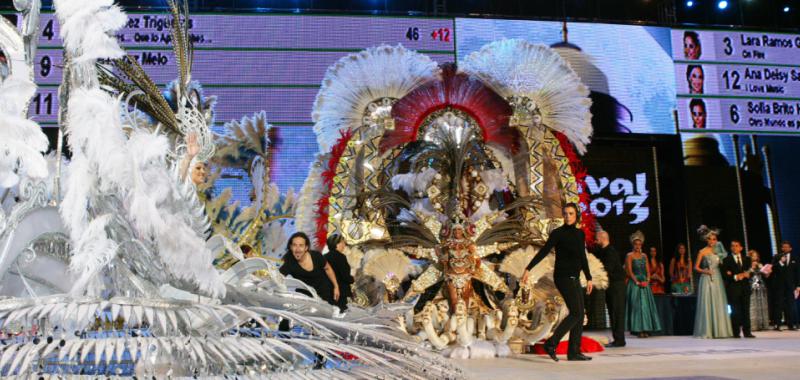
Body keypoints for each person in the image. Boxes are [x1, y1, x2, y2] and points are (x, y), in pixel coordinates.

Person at [522, 203, 593, 362]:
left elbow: (582, 257)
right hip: (562, 277)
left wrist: (589, 277)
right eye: (565, 213)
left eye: (571, 213)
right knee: (575, 312)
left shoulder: (580, 234)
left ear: (576, 216)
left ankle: (573, 352)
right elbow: (544, 251)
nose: (568, 216)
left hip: (575, 277)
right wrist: (528, 268)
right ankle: (551, 343)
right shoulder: (557, 233)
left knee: (580, 315)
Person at [279, 232, 340, 306]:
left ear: (306, 247)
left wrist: (336, 286)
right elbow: (278, 277)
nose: (297, 249)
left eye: (301, 245)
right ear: (291, 247)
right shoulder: (289, 263)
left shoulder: (316, 256)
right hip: (306, 295)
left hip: (325, 291)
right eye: (294, 245)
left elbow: (328, 269)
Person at [693, 226, 733, 338]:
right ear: (707, 240)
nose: (712, 241)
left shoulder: (718, 251)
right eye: (710, 239)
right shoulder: (702, 251)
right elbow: (696, 267)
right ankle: (708, 330)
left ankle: (720, 330)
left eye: (714, 239)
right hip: (706, 279)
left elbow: (723, 264)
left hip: (718, 278)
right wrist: (705, 271)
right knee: (708, 302)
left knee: (718, 302)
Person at [625, 231, 662, 338]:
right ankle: (638, 330)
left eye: (639, 244)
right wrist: (636, 281)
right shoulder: (629, 256)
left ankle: (647, 328)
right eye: (636, 244)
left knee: (646, 306)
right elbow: (629, 271)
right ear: (633, 244)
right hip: (635, 283)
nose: (638, 246)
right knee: (637, 306)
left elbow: (648, 271)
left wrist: (647, 280)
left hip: (645, 283)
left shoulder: (644, 256)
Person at [593, 230, 626, 347]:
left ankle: (620, 339)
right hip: (612, 286)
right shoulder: (603, 251)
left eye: (597, 238)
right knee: (613, 311)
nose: (595, 241)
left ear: (603, 238)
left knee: (617, 312)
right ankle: (617, 338)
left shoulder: (610, 252)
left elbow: (607, 269)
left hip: (617, 286)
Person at [721, 240, 755, 338]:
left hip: (745, 288)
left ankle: (747, 332)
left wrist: (748, 274)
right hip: (733, 288)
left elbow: (750, 271)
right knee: (735, 311)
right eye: (732, 246)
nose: (734, 247)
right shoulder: (726, 259)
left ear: (741, 248)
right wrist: (735, 277)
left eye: (736, 246)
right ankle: (736, 332)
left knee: (746, 310)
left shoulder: (747, 259)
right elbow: (725, 274)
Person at [771, 241, 800, 330]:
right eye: (783, 247)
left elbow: (797, 273)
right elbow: (773, 268)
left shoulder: (795, 258)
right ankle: (777, 324)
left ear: (790, 248)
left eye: (787, 247)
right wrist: (781, 262)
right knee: (778, 304)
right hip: (779, 285)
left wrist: (798, 285)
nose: (785, 248)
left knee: (790, 304)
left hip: (790, 285)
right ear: (781, 248)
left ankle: (791, 324)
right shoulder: (777, 257)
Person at [325, 233, 354, 312]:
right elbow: (344, 275)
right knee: (341, 314)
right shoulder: (340, 257)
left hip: (328, 291)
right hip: (340, 292)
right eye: (343, 242)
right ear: (337, 244)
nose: (344, 245)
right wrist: (352, 279)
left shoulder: (324, 257)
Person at [747, 249, 770, 331]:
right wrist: (752, 268)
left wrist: (767, 271)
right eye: (753, 255)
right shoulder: (747, 264)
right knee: (753, 304)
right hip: (752, 285)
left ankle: (762, 324)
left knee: (762, 304)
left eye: (756, 256)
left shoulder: (760, 264)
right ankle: (753, 325)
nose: (755, 257)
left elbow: (766, 276)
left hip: (761, 286)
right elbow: (747, 274)